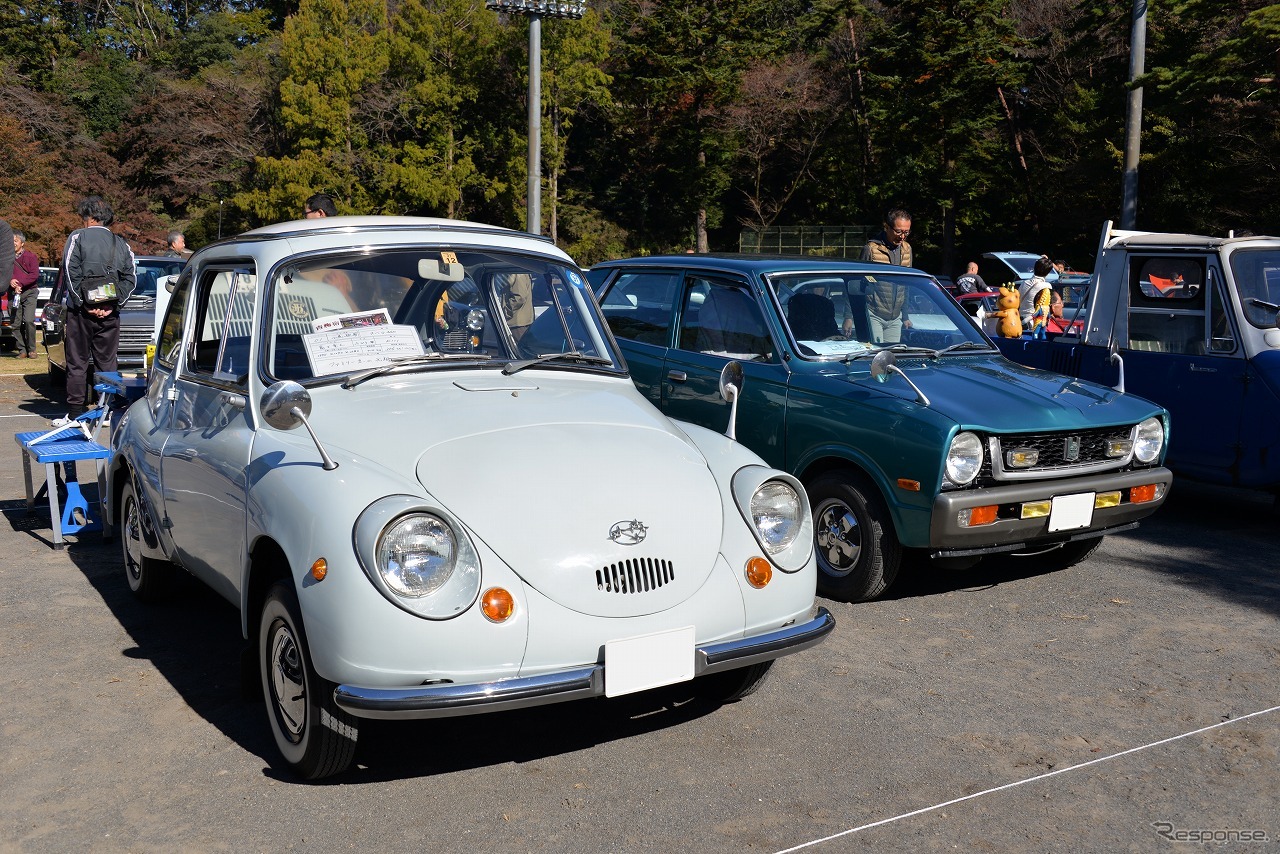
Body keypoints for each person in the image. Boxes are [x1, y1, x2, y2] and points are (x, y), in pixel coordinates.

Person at [57, 196, 136, 422]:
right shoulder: (121, 243)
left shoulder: (77, 237)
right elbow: (130, 279)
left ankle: (75, 414)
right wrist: (113, 305)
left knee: (77, 363)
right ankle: (107, 411)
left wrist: (83, 304)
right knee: (108, 363)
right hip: (111, 314)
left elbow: (70, 273)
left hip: (80, 314)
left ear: (89, 218)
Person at [11, 229, 40, 358]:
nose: (13, 243)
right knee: (15, 324)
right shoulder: (6, 258)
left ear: (22, 243)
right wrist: (10, 281)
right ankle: (22, 349)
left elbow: (34, 275)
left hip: (29, 292)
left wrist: (20, 284)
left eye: (15, 241)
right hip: (13, 293)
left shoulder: (31, 257)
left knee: (28, 320)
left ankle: (32, 349)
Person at [1018, 256, 1055, 332]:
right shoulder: (1046, 286)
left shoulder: (1024, 283)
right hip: (1034, 323)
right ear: (1048, 272)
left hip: (1019, 321)